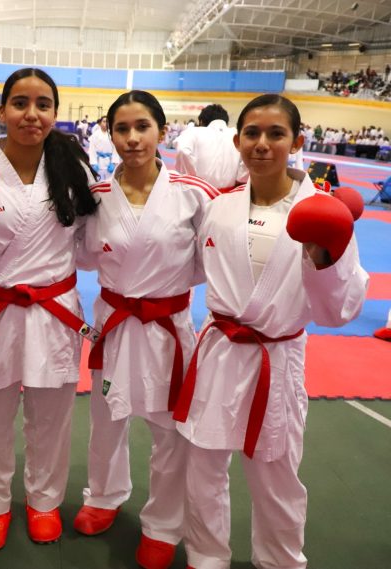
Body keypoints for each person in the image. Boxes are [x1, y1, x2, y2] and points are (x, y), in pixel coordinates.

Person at [172, 94, 368, 569]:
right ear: (237, 141)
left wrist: (327, 258)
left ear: (297, 141)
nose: (262, 144)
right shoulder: (218, 208)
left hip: (276, 358)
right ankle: (206, 558)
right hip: (219, 352)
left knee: (276, 476)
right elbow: (190, 270)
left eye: (276, 134)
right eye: (253, 134)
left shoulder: (322, 211)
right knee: (203, 469)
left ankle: (280, 561)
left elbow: (339, 310)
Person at [0, 67, 98, 552]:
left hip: (55, 312)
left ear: (55, 112)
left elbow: (90, 250)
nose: (32, 114)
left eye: (44, 104)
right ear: (2, 110)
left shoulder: (74, 169)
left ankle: (44, 501)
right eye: (21, 103)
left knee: (52, 415)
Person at [73, 90, 218, 569]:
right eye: (121, 129)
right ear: (109, 133)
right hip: (113, 325)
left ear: (162, 131)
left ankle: (162, 524)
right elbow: (81, 256)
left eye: (142, 127)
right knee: (106, 419)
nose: (132, 139)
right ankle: (105, 495)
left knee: (169, 431)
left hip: (168, 327)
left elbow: (214, 261)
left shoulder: (193, 195)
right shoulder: (95, 197)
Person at [174, 103, 247, 192]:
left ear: (201, 121)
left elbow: (183, 151)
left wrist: (192, 179)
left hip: (198, 194)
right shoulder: (237, 134)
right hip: (231, 195)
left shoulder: (194, 131)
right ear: (226, 121)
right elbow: (247, 158)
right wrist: (240, 180)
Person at [86, 116, 118, 181]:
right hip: (98, 162)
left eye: (107, 122)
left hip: (109, 162)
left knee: (109, 182)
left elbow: (115, 149)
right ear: (100, 123)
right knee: (98, 181)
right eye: (104, 121)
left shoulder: (112, 135)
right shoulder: (95, 135)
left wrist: (113, 162)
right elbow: (92, 150)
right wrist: (94, 163)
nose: (106, 123)